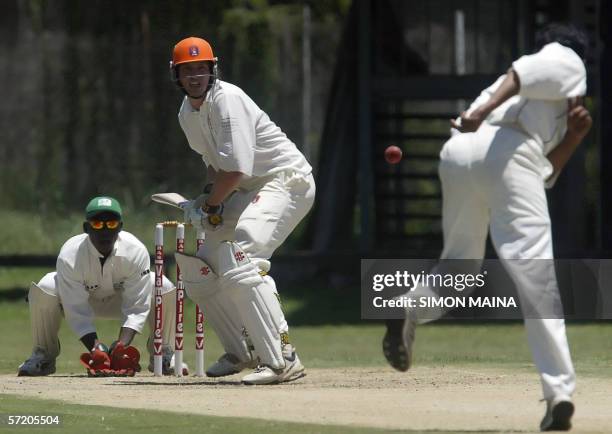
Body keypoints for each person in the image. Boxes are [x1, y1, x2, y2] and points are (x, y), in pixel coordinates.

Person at [382, 23, 592, 431]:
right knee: (536, 275)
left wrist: (575, 137)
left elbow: (545, 173)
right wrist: (478, 114)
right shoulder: (566, 58)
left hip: (461, 152)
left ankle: (411, 306)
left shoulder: (544, 104)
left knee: (460, 268)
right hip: (501, 147)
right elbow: (525, 71)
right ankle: (559, 392)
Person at [169, 37, 315, 384]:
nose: (196, 76)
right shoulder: (187, 114)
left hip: (285, 181)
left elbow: (236, 171)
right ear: (176, 74)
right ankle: (242, 351)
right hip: (245, 188)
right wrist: (206, 201)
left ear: (212, 70)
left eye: (201, 69)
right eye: (188, 70)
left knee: (242, 255)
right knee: (202, 264)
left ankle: (282, 358)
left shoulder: (228, 100)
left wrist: (211, 205)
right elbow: (216, 167)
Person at [18, 196, 184, 376]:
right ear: (86, 228)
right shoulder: (70, 255)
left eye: (111, 224)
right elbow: (76, 309)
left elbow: (136, 307)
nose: (105, 230)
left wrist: (122, 346)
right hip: (83, 301)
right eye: (97, 224)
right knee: (46, 286)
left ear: (120, 226)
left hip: (119, 302)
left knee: (162, 284)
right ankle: (43, 356)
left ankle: (162, 352)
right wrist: (95, 347)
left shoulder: (135, 251)